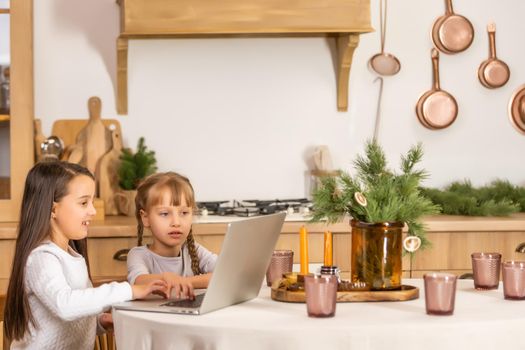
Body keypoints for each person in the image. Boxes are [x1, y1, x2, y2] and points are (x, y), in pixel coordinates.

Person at [3, 161, 167, 350]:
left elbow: (70, 321)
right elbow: (65, 305)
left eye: (92, 202)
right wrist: (130, 290)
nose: (93, 211)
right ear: (53, 209)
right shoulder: (42, 258)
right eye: (83, 203)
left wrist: (100, 322)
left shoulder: (73, 257)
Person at [127, 172, 217, 299]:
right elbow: (139, 281)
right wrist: (166, 278)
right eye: (164, 214)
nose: (176, 222)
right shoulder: (138, 255)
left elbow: (224, 271)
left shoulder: (193, 250)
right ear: (146, 218)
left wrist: (184, 282)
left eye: (184, 212)